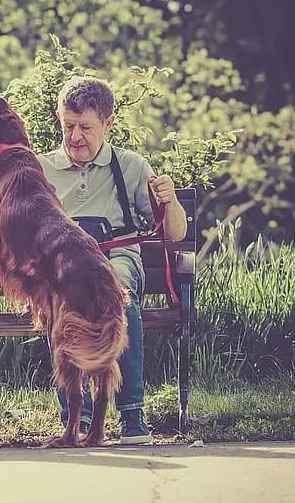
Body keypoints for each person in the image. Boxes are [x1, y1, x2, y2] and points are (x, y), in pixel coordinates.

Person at [37, 76, 188, 444]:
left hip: (115, 256)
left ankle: (132, 415)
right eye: (67, 126)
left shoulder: (132, 165)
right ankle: (78, 416)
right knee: (61, 301)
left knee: (117, 293)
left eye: (85, 127)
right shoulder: (43, 167)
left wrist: (169, 200)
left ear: (108, 124)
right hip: (65, 264)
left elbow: (176, 233)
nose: (75, 137)